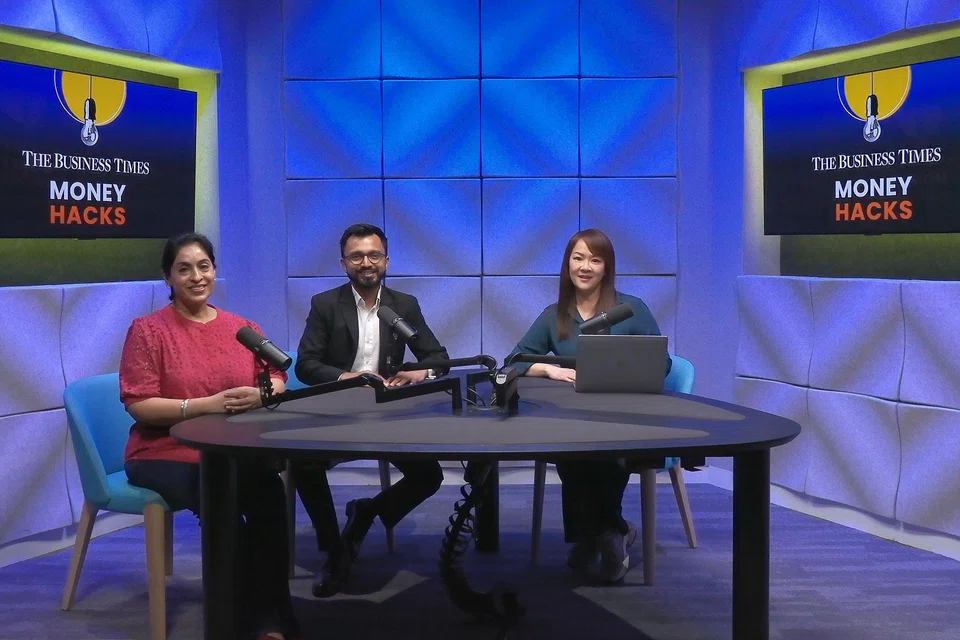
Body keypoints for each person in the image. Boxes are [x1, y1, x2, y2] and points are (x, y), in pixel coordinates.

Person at [120, 232, 300, 640]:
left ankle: (275, 619)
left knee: (269, 493)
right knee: (222, 494)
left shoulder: (242, 328)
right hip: (163, 449)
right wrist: (206, 404)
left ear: (215, 270)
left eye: (204, 266)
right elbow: (139, 403)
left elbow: (277, 375)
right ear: (168, 276)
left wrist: (262, 392)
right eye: (184, 269)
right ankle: (237, 624)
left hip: (230, 448)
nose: (196, 276)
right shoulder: (148, 331)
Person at [292, 223, 450, 598]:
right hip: (336, 412)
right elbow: (306, 365)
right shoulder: (325, 304)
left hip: (389, 415)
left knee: (430, 476)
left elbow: (438, 358)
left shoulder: (404, 305)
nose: (367, 262)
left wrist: (418, 372)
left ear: (386, 260)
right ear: (344, 263)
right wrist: (347, 376)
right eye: (357, 256)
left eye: (374, 255)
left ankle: (365, 513)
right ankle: (334, 551)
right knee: (303, 464)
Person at [506, 228, 671, 584]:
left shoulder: (631, 309)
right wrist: (548, 368)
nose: (585, 267)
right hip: (574, 417)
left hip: (628, 418)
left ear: (606, 268)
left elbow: (664, 364)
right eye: (578, 258)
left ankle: (601, 536)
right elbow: (513, 361)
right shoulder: (555, 315)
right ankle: (608, 532)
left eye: (595, 260)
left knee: (610, 454)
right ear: (567, 265)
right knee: (572, 452)